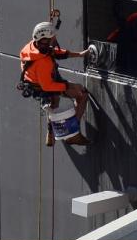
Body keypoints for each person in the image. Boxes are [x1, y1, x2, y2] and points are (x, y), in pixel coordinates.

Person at [20, 10, 91, 145]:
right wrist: (66, 86)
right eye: (53, 37)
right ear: (46, 41)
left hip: (36, 84)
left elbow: (56, 52)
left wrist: (80, 54)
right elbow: (48, 85)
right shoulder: (43, 63)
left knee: (54, 104)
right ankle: (72, 134)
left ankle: (51, 131)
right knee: (81, 93)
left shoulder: (32, 47)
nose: (55, 38)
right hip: (46, 85)